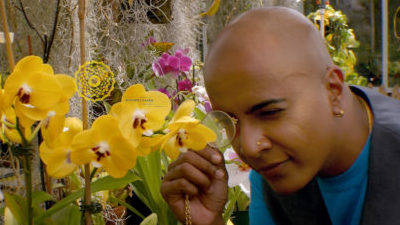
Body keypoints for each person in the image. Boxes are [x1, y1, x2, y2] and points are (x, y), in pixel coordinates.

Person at [160, 6, 400, 225]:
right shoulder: (275, 174)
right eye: (231, 122)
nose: (250, 147)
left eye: (271, 113)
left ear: (333, 91)